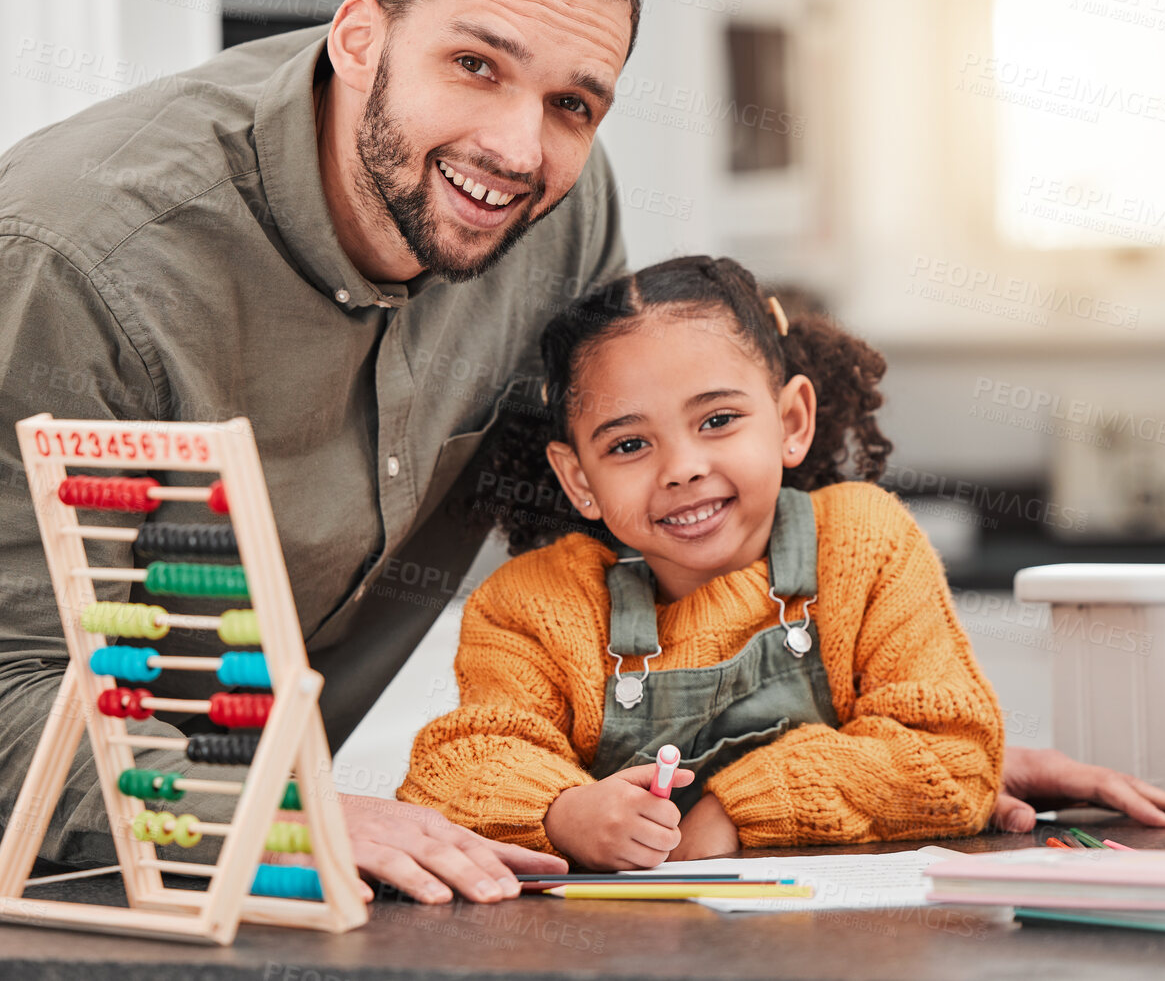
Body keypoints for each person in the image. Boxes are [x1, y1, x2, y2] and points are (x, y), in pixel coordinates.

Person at [0, 0, 1165, 903]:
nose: (519, 146)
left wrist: (871, 733)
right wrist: (283, 811)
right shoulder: (83, 259)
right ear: (359, 34)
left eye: (573, 100)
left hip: (212, 851)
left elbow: (609, 563)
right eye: (474, 65)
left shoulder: (555, 214)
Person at [400, 256, 1005, 866]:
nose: (682, 468)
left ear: (791, 421)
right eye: (630, 444)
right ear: (579, 477)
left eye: (717, 420)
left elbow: (951, 760)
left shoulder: (864, 543)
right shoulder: (529, 605)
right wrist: (561, 811)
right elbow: (458, 771)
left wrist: (734, 811)